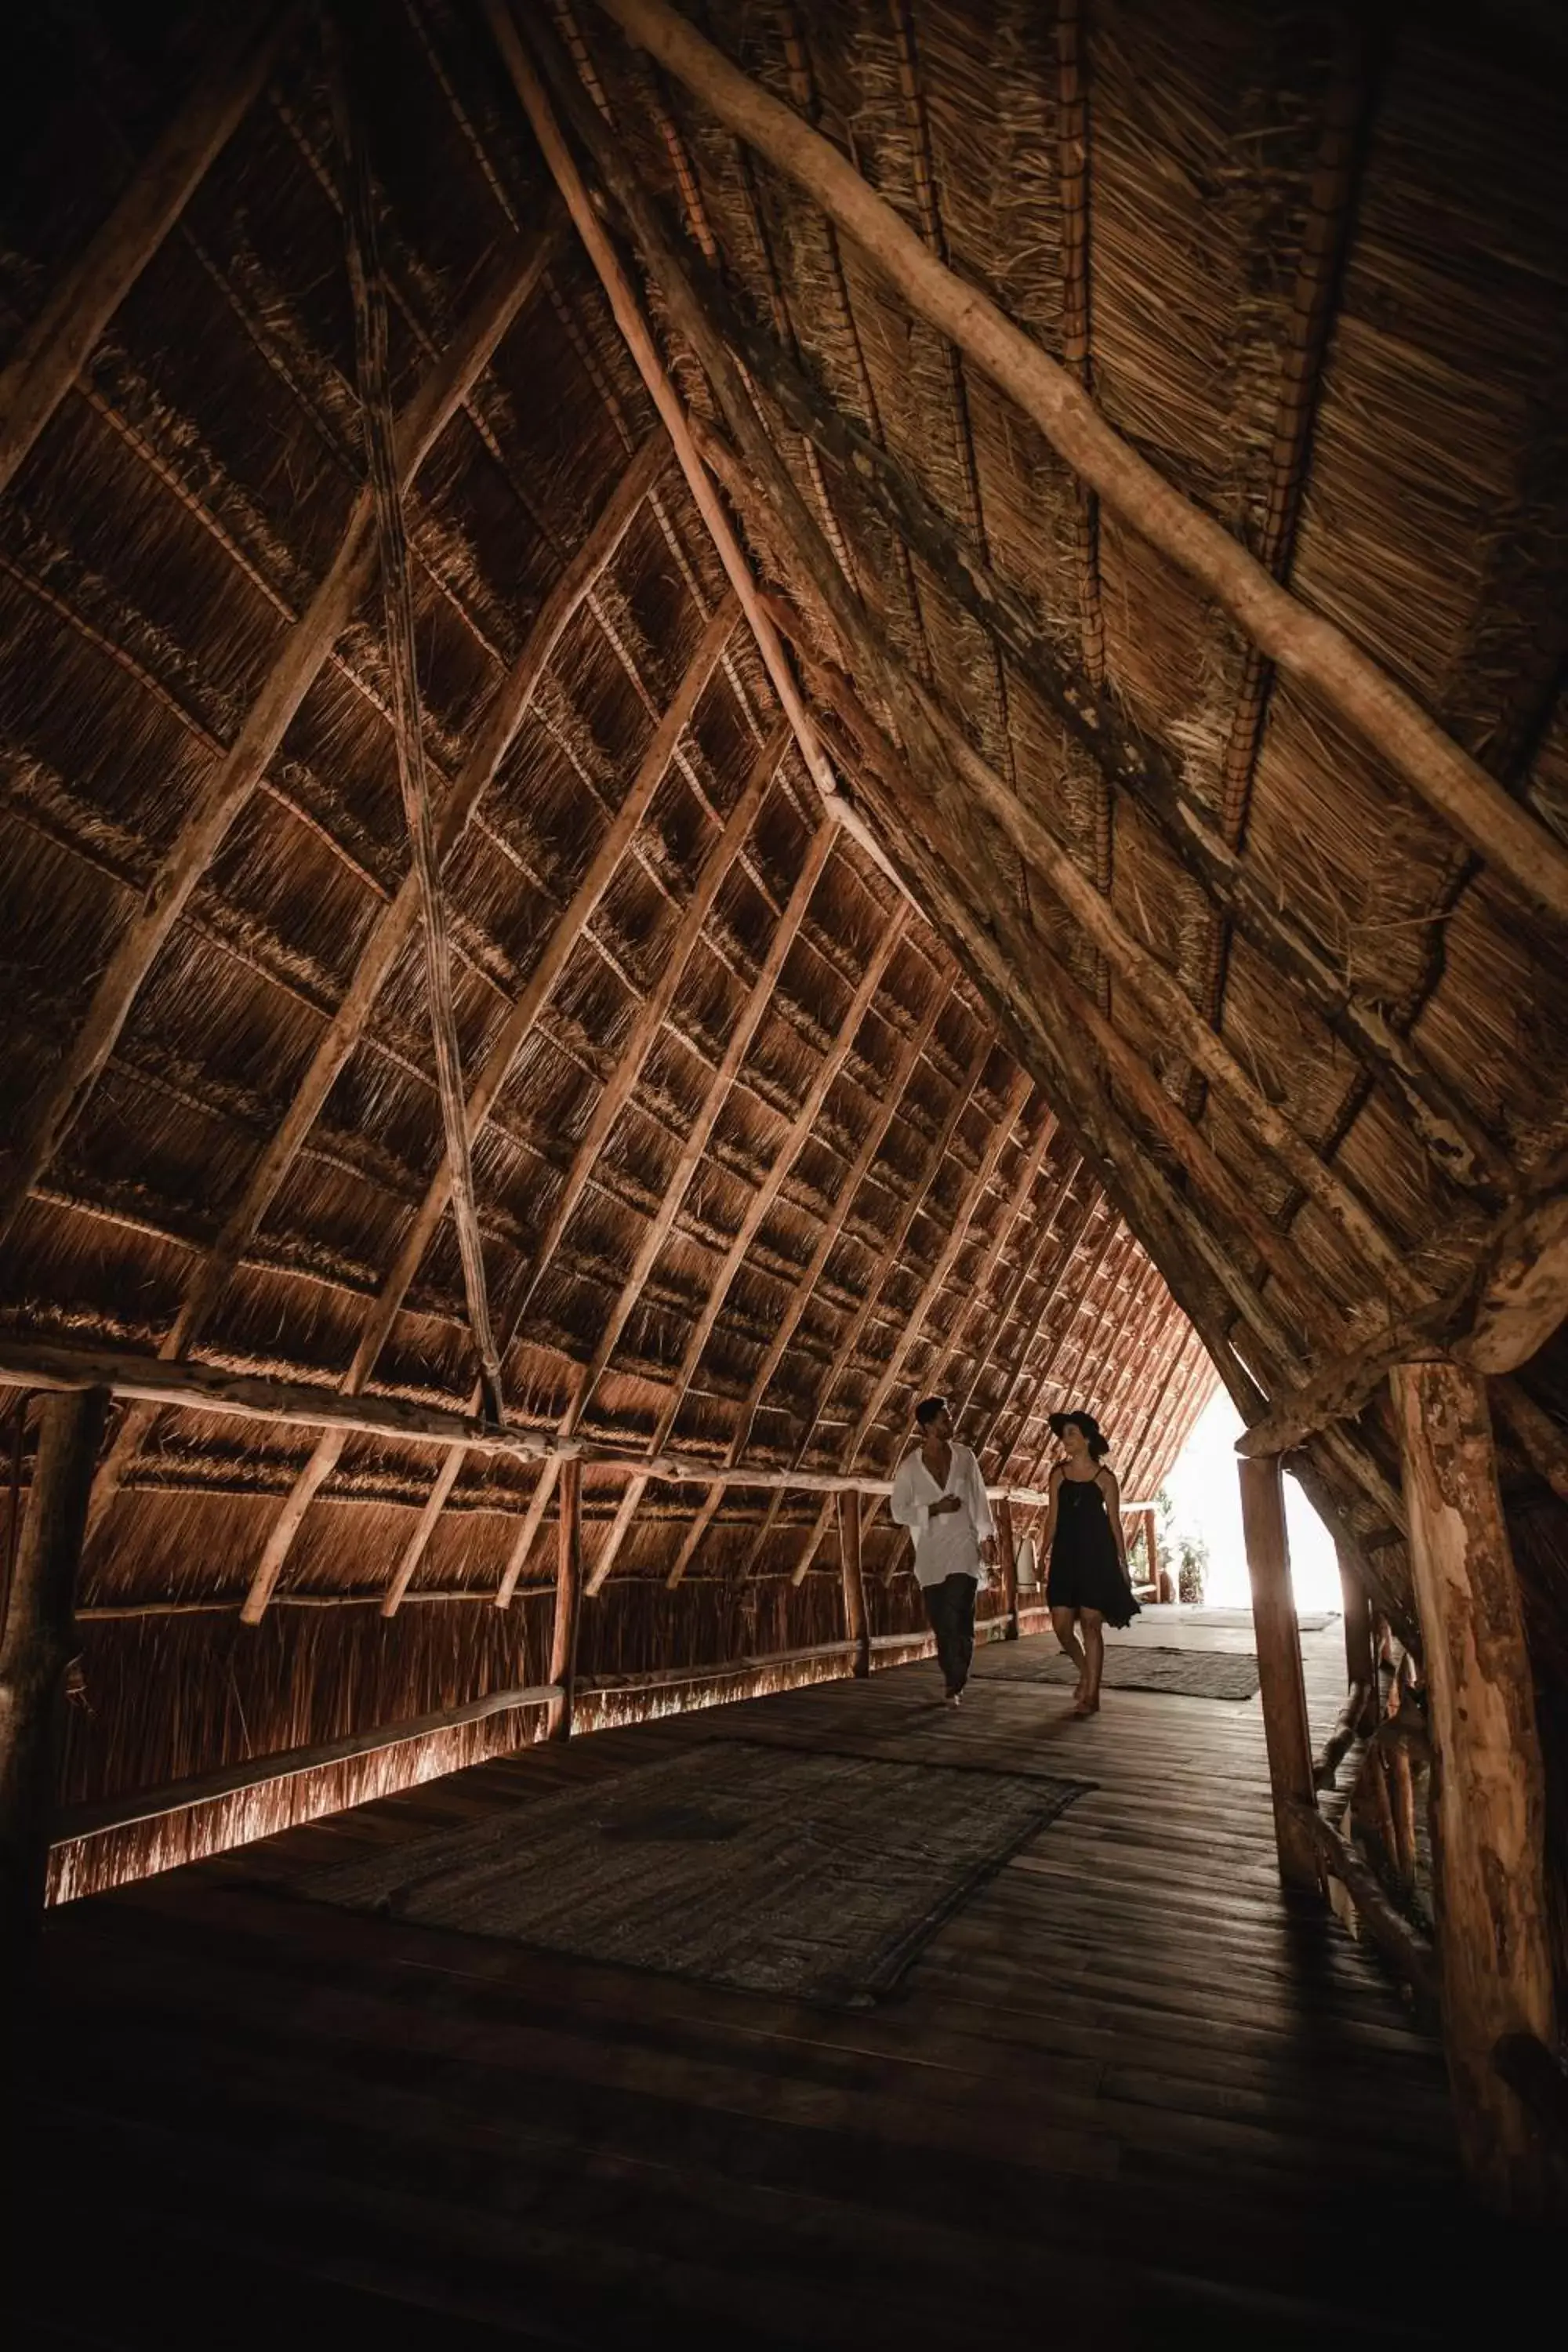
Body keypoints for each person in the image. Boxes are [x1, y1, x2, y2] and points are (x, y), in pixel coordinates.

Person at [890, 1396, 996, 1707]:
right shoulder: (910, 1468)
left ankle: (958, 1674)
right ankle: (952, 1674)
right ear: (927, 1426)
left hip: (964, 1543)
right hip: (931, 1552)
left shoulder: (965, 1458)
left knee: (961, 1608)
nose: (951, 1423)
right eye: (945, 1419)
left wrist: (987, 1536)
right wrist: (934, 1508)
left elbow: (979, 1497)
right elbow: (899, 1511)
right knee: (942, 1619)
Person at [1040, 1409, 1137, 1717]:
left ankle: (1092, 1695)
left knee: (1092, 1626)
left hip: (1097, 1557)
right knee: (1061, 1626)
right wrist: (1043, 1554)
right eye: (1064, 1434)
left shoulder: (1106, 1479)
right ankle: (1085, 1670)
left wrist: (1122, 1564)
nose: (1065, 1439)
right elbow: (1052, 1519)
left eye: (1071, 1433)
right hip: (1065, 1557)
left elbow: (1115, 1525)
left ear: (1087, 1438)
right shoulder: (1058, 1474)